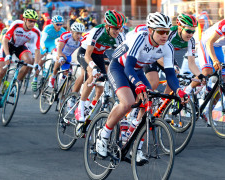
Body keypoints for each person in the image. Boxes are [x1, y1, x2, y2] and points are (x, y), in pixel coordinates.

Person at [95, 12, 187, 160]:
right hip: (119, 67)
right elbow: (128, 67)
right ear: (151, 30)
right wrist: (138, 84)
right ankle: (103, 135)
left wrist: (179, 91)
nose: (165, 35)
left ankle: (135, 143)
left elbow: (170, 74)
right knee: (127, 103)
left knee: (148, 102)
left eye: (167, 32)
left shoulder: (167, 47)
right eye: (161, 32)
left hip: (137, 70)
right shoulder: (140, 39)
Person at [0, 9, 41, 115]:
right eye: (30, 21)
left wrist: (37, 63)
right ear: (24, 20)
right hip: (8, 45)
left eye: (34, 21)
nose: (32, 23)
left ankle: (17, 83)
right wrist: (7, 55)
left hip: (20, 47)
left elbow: (37, 49)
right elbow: (5, 40)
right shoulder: (16, 25)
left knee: (29, 61)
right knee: (1, 72)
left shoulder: (36, 32)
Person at [74, 10, 125, 123]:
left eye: (120, 28)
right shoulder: (97, 31)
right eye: (115, 28)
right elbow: (87, 55)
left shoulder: (120, 36)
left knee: (101, 86)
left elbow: (123, 55)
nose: (118, 31)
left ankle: (90, 107)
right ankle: (80, 108)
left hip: (99, 55)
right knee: (92, 75)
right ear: (107, 26)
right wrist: (93, 67)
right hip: (85, 53)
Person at [31, 15, 66, 92]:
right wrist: (43, 49)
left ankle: (50, 70)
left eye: (61, 24)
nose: (59, 26)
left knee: (55, 53)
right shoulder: (48, 28)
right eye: (57, 24)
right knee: (41, 60)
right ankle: (35, 78)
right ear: (53, 23)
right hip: (43, 44)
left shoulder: (62, 30)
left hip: (51, 44)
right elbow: (42, 40)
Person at [48, 22, 85, 89]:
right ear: (72, 32)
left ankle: (61, 86)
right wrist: (61, 56)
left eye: (80, 33)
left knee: (68, 73)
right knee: (60, 60)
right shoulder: (66, 36)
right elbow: (59, 50)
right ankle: (52, 77)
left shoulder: (81, 40)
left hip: (68, 56)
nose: (79, 36)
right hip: (59, 52)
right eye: (77, 33)